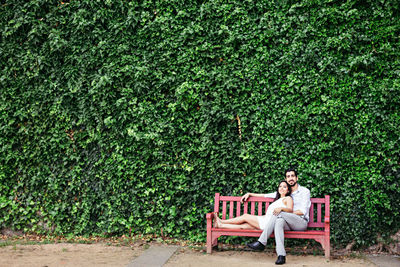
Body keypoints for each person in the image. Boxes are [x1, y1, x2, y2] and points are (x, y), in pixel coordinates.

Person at [244, 168, 311, 265]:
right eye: (288, 176)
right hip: (287, 222)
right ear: (286, 178)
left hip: (300, 222)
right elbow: (266, 195)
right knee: (279, 221)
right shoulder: (285, 192)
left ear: (297, 178)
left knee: (279, 213)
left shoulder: (305, 191)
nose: (290, 178)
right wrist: (250, 193)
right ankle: (281, 255)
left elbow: (302, 212)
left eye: (292, 176)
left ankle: (262, 242)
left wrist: (284, 211)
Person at [214, 181, 293, 230]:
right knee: (244, 227)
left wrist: (281, 208)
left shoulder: (288, 198)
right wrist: (250, 194)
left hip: (269, 223)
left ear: (288, 190)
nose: (282, 188)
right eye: (280, 186)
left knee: (245, 216)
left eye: (284, 187)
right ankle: (221, 225)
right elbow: (263, 195)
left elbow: (290, 210)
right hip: (265, 220)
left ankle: (222, 221)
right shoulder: (276, 198)